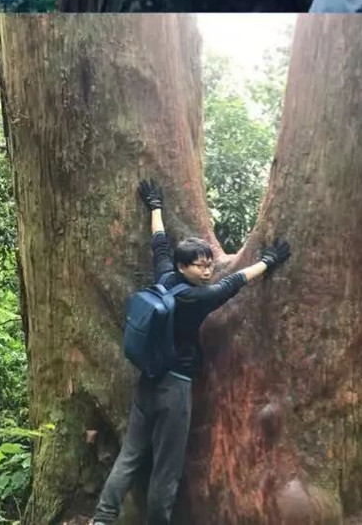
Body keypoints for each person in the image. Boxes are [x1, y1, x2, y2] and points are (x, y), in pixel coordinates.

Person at [91, 179, 291, 525]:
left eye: (208, 263)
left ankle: (103, 518)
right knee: (167, 466)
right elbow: (235, 282)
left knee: (132, 455)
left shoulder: (166, 278)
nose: (208, 269)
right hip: (174, 389)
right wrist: (269, 261)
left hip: (148, 380)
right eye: (200, 265)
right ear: (186, 267)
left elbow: (160, 245)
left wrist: (155, 205)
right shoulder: (198, 298)